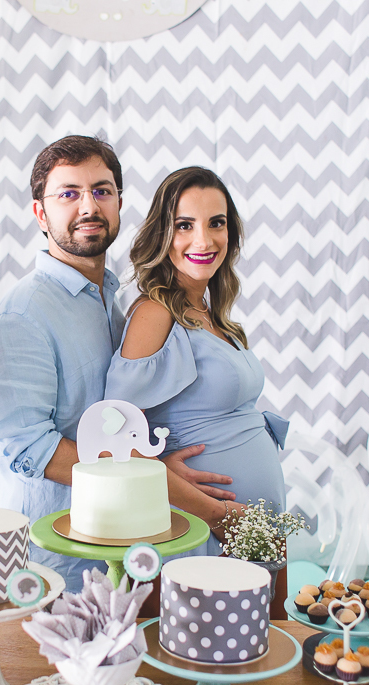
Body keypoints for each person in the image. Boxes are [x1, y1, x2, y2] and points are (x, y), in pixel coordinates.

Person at [0, 137, 235, 590]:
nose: (88, 206)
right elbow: (29, 448)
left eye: (101, 191)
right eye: (69, 194)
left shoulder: (111, 303)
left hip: (128, 550)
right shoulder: (23, 314)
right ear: (40, 213)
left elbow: (118, 422)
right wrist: (150, 481)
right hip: (59, 562)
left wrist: (156, 467)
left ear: (118, 202)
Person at [105, 166, 290, 555]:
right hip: (202, 527)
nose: (203, 239)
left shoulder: (212, 313)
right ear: (163, 235)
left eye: (216, 223)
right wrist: (212, 509)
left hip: (244, 528)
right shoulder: (154, 314)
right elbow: (115, 436)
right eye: (184, 225)